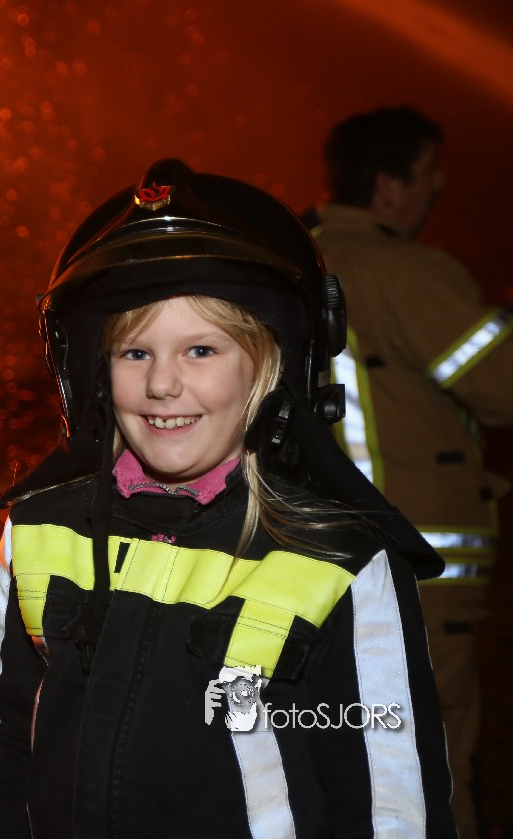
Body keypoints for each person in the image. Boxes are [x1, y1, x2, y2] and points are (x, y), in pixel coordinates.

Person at [0, 158, 458, 838]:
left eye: (201, 350)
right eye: (134, 353)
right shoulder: (41, 530)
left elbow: (389, 804)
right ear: (90, 373)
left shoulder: (339, 565)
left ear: (271, 367)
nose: (162, 385)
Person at [305, 106, 513, 839]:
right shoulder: (408, 271)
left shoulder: (289, 263)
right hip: (420, 565)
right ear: (388, 184)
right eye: (428, 171)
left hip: (307, 559)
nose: (441, 185)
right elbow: (504, 386)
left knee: (330, 753)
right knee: (432, 762)